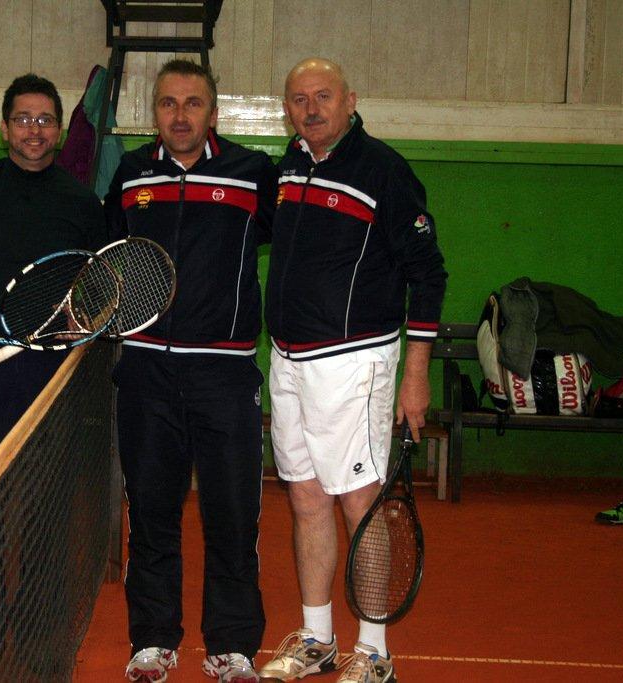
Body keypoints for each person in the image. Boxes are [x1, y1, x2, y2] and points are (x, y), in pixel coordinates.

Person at [257, 58, 447, 683]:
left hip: (356, 364)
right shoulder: (290, 166)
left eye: (323, 96)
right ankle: (317, 640)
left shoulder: (384, 171)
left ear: (350, 100)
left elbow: (429, 274)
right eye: (299, 99)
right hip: (288, 360)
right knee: (306, 498)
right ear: (287, 109)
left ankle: (373, 652)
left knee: (360, 505)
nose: (311, 109)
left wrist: (415, 373)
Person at [104, 59, 278, 683]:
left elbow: (291, 244)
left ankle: (232, 645)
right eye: (168, 103)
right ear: (153, 111)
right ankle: (153, 640)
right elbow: (109, 259)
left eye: (193, 103)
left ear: (214, 112)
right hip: (146, 373)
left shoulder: (253, 172)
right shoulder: (130, 175)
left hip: (225, 376)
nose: (180, 116)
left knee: (232, 516)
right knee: (151, 514)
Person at [0, 73, 105, 494]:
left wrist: (84, 322)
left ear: (59, 130)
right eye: (23, 119)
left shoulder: (84, 204)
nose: (34, 130)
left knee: (47, 496)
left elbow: (98, 283)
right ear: (4, 128)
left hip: (51, 370)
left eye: (45, 120)